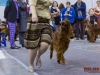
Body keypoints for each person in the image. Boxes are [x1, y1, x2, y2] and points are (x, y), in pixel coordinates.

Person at [27, 0, 52, 73]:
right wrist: (34, 14)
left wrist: (51, 14)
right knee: (34, 45)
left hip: (46, 21)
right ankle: (31, 64)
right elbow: (32, 3)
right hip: (36, 19)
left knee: (45, 44)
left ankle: (38, 56)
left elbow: (45, 7)